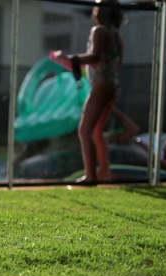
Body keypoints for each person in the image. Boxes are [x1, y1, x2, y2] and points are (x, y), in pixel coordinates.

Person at [54, 0, 125, 183]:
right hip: (112, 85)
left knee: (85, 130)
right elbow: (115, 64)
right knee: (96, 132)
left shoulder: (99, 31)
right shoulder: (117, 36)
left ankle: (91, 175)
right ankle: (104, 172)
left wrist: (69, 57)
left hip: (101, 85)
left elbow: (95, 56)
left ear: (98, 12)